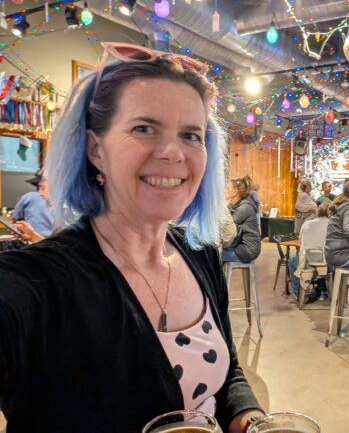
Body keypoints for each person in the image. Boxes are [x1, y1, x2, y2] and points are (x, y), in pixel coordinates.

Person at [0, 44, 263, 433]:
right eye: (144, 128)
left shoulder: (200, 252)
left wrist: (248, 417)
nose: (173, 152)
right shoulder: (34, 282)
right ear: (95, 150)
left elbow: (229, 374)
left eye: (191, 135)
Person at [288, 202, 331, 298]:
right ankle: (323, 290)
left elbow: (300, 240)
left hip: (306, 263)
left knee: (291, 260)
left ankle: (297, 292)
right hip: (325, 264)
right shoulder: (332, 225)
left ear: (317, 212)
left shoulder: (306, 223)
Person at [222, 177, 261, 264]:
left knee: (212, 255)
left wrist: (223, 205)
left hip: (247, 251)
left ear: (235, 192)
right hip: (239, 247)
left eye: (227, 188)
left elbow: (227, 225)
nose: (224, 190)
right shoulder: (236, 205)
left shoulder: (245, 208)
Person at [11, 171, 53, 238]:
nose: (40, 194)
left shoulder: (28, 197)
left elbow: (16, 220)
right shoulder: (67, 203)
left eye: (42, 188)